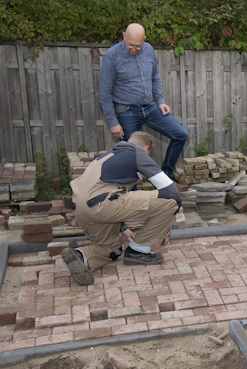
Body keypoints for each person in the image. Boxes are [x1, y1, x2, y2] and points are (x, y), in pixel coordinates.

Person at [62, 131, 181, 286]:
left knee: (111, 249)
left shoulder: (106, 156)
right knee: (170, 201)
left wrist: (125, 226)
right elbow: (171, 191)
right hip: (103, 204)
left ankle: (81, 257)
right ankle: (138, 251)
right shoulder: (136, 152)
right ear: (147, 147)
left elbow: (120, 194)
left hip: (83, 210)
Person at [100, 23, 188, 180]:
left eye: (138, 46)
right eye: (131, 45)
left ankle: (166, 175)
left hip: (150, 107)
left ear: (144, 40)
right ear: (124, 36)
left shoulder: (149, 50)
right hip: (126, 111)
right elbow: (105, 94)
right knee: (130, 154)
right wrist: (113, 122)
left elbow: (155, 78)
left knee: (180, 135)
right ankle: (131, 191)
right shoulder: (111, 57)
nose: (134, 50)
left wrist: (161, 101)